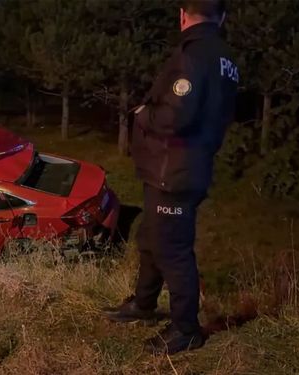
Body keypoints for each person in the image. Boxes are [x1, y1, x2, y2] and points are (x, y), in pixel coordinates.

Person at [102, 0, 238, 355]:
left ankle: (186, 329)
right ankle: (143, 304)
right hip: (185, 166)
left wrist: (144, 114)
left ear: (182, 15)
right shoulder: (225, 58)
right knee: (151, 237)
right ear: (221, 17)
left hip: (174, 170)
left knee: (173, 251)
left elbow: (175, 116)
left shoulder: (192, 56)